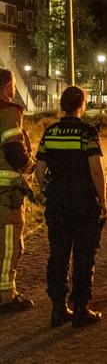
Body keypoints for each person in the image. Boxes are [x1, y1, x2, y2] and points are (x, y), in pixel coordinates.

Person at [35, 86, 107, 327]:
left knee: (58, 254)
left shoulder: (51, 132)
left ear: (61, 105)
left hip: (57, 203)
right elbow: (96, 169)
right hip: (83, 202)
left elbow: (39, 170)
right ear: (82, 105)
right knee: (83, 255)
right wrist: (104, 201)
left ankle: (58, 308)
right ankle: (80, 308)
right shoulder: (87, 132)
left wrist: (48, 190)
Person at [0, 69, 36, 314]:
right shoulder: (8, 112)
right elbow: (14, 147)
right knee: (10, 245)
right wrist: (31, 168)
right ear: (7, 86)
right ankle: (5, 295)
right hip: (5, 195)